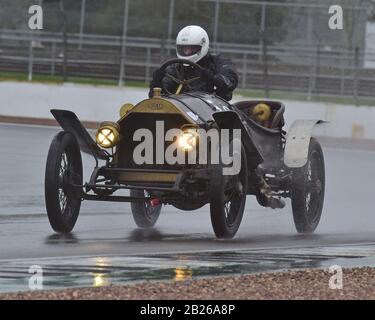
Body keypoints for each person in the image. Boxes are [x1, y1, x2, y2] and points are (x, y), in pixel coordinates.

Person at [149, 25, 238, 101]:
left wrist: (212, 79)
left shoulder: (218, 62)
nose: (187, 52)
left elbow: (229, 82)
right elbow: (156, 99)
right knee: (159, 121)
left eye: (192, 49)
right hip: (181, 110)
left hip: (210, 109)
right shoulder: (174, 68)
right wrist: (157, 83)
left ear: (202, 46)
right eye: (184, 49)